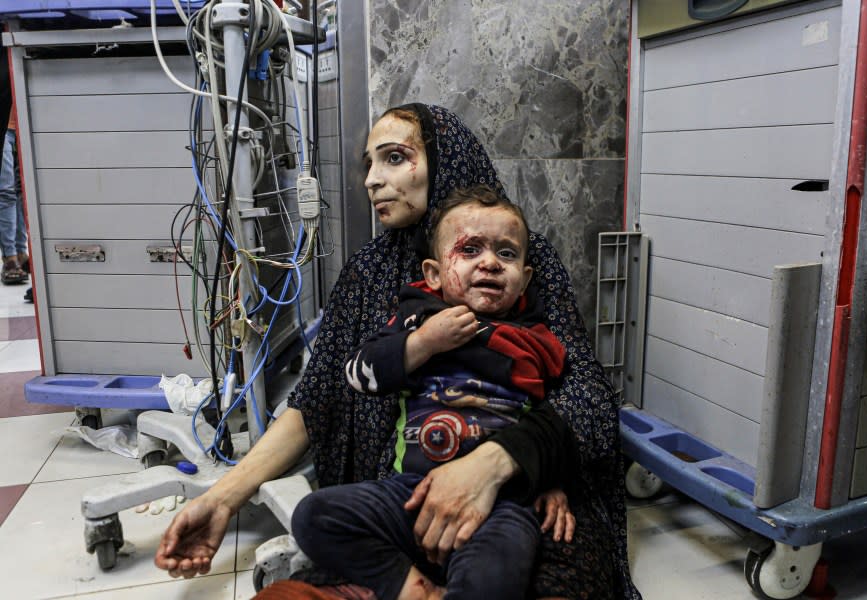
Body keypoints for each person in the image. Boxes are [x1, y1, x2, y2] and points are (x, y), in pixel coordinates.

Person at [155, 103, 640, 600]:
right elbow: (317, 400)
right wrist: (222, 500)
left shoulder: (516, 262)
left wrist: (491, 466)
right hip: (403, 497)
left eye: (393, 158)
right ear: (431, 273)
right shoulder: (368, 272)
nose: (372, 180)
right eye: (369, 164)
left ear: (445, 160)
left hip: (517, 488)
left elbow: (586, 397)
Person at [292, 185, 574, 599]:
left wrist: (550, 480)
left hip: (501, 503)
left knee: (497, 572)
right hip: (410, 491)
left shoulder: (534, 339)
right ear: (434, 275)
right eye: (470, 249)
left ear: (524, 279)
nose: (491, 263)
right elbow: (356, 373)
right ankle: (413, 587)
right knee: (314, 516)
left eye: (507, 254)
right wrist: (422, 344)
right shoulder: (417, 320)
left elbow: (554, 421)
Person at [0, 109, 28, 286]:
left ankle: (20, 253)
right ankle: (10, 258)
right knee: (6, 192)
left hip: (21, 125)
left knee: (20, 192)